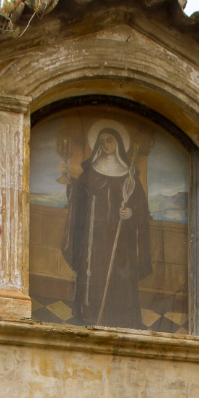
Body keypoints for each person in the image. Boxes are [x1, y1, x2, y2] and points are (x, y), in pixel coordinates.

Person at [61, 125, 151, 329]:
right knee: (94, 273)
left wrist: (131, 213)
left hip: (121, 238)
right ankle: (90, 314)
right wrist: (68, 180)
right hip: (94, 235)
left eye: (109, 140)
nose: (105, 144)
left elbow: (140, 206)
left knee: (120, 278)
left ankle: (122, 316)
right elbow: (80, 196)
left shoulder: (129, 175)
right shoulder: (92, 171)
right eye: (102, 141)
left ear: (118, 143)